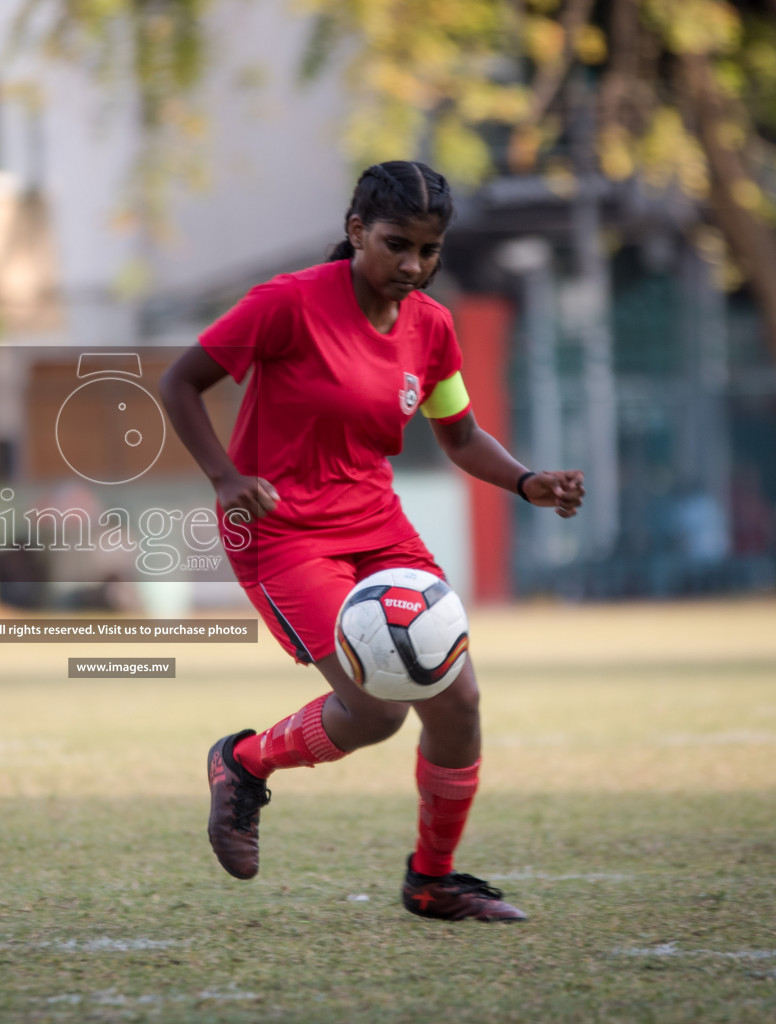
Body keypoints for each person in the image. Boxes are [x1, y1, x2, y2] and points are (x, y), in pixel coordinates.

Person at [158, 161, 585, 922]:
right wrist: (225, 478)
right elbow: (181, 383)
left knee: (459, 702)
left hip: (378, 527)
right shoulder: (286, 305)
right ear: (356, 232)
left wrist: (526, 481)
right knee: (379, 711)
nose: (414, 266)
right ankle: (243, 763)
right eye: (397, 245)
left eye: (430, 250)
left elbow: (459, 436)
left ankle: (433, 879)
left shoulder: (432, 327)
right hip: (282, 532)